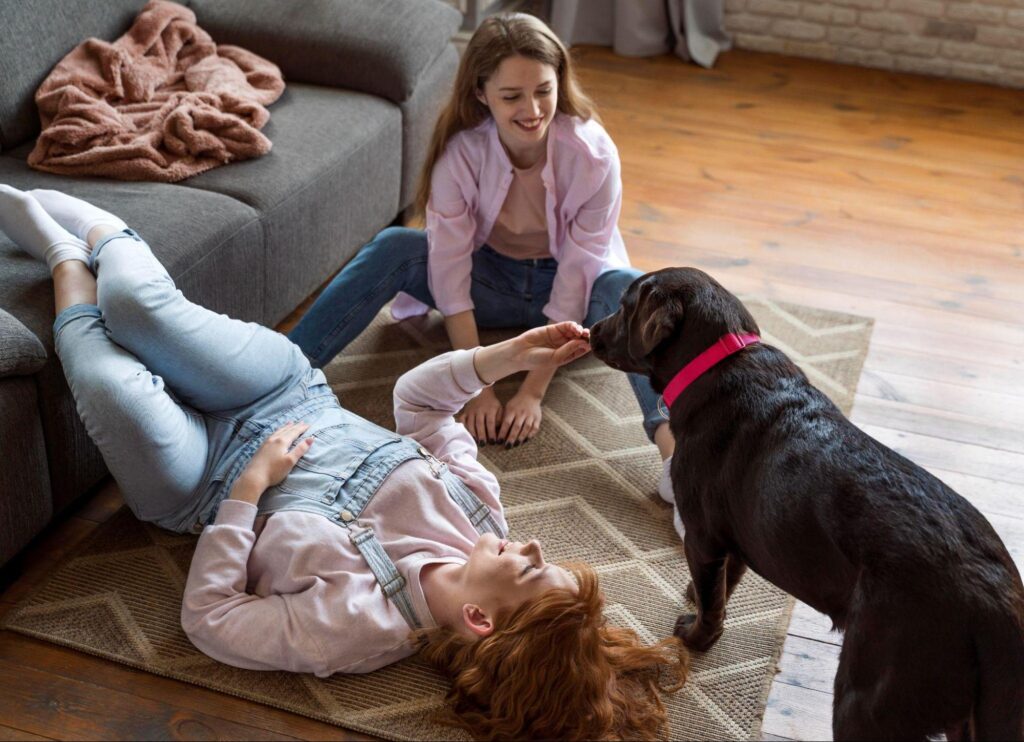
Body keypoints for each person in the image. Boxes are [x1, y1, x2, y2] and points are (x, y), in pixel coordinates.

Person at [0, 185, 687, 739]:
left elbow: (210, 621)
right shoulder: (478, 511)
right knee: (135, 308)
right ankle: (98, 232)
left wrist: (247, 491)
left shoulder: (357, 631)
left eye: (532, 567)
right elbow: (418, 405)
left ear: (481, 620)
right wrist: (503, 360)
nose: (533, 542)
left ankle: (63, 258)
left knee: (111, 380)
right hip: (284, 392)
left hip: (198, 482)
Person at [288, 14, 681, 521]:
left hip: (574, 292)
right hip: (489, 279)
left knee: (633, 288)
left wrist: (533, 391)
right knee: (395, 245)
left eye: (544, 90)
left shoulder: (592, 152)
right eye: (512, 95)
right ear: (481, 94)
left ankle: (676, 457)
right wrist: (479, 385)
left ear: (561, 80)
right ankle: (279, 375)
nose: (533, 109)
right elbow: (450, 271)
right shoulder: (462, 151)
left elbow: (579, 273)